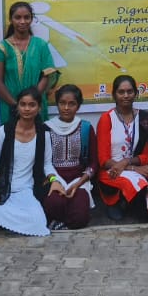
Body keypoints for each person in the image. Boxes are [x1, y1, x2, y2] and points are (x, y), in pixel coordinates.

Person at [95, 74, 148, 220]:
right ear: (114, 94)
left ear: (136, 94)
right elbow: (103, 160)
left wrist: (127, 163)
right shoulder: (106, 119)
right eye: (121, 92)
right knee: (136, 184)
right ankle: (114, 202)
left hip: (135, 167)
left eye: (130, 91)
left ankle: (131, 204)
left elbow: (146, 156)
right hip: (111, 171)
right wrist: (132, 168)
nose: (126, 95)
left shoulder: (144, 119)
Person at [0, 88, 54, 236]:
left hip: (26, 189)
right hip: (1, 187)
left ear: (39, 108)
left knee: (38, 220)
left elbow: (47, 164)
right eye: (23, 104)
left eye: (32, 105)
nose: (27, 109)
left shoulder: (44, 134)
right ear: (18, 106)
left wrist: (54, 179)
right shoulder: (4, 131)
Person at [0, 0, 58, 123]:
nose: (22, 21)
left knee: (38, 140)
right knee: (12, 140)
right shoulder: (2, 47)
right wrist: (17, 105)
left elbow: (47, 75)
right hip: (10, 107)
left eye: (26, 17)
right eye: (18, 17)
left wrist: (32, 102)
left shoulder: (41, 45)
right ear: (11, 20)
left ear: (31, 19)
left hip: (36, 106)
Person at [43, 84, 95, 229]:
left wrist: (78, 183)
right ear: (57, 104)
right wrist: (54, 180)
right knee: (54, 203)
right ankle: (61, 221)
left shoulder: (85, 127)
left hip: (79, 179)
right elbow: (43, 162)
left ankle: (60, 222)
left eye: (71, 104)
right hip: (53, 178)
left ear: (78, 106)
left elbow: (93, 164)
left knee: (80, 217)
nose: (66, 108)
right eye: (62, 103)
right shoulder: (46, 127)